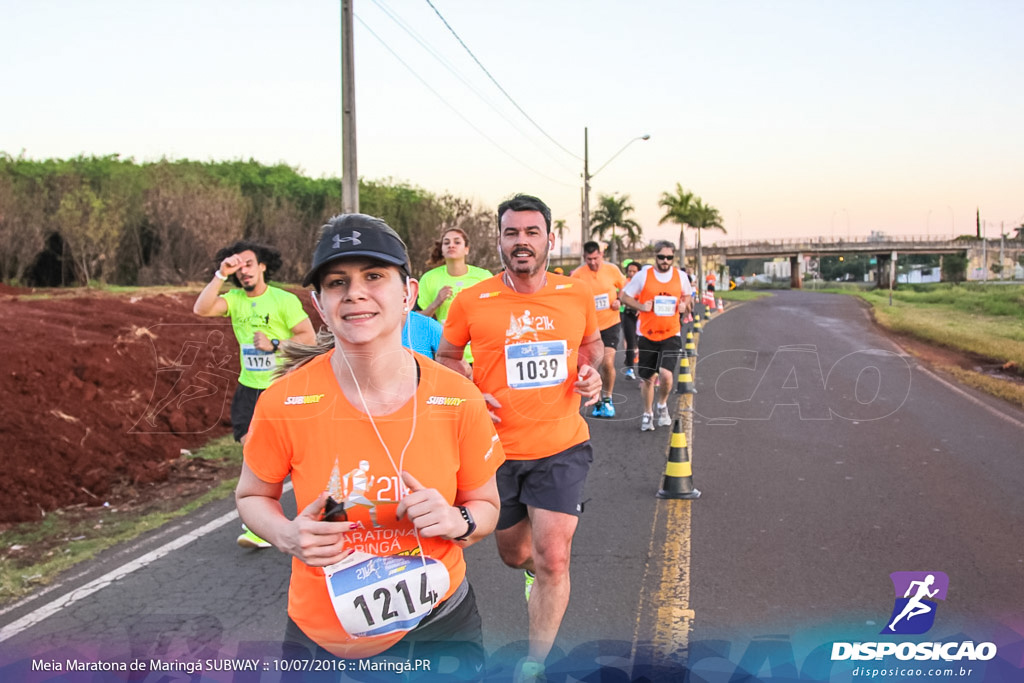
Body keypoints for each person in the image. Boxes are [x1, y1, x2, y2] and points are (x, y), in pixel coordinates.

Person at [235, 214, 504, 674]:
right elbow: (251, 495)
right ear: (320, 304)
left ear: (409, 294)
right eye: (337, 282)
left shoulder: (458, 397)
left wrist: (455, 519)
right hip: (322, 641)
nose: (355, 292)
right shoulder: (286, 401)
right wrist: (284, 535)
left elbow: (486, 508)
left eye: (374, 276)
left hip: (439, 630)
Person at [436, 194, 603, 683]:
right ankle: (530, 572)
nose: (522, 242)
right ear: (500, 240)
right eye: (512, 233)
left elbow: (592, 345)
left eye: (532, 232)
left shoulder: (574, 295)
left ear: (550, 239)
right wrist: (467, 388)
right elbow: (448, 356)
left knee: (555, 557)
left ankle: (535, 662)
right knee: (515, 554)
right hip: (495, 453)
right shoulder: (473, 300)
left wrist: (590, 373)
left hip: (562, 445)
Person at [193, 240, 316, 549]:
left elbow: (309, 339)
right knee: (254, 453)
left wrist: (274, 345)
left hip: (284, 385)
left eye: (249, 264)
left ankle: (317, 513)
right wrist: (221, 275)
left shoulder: (283, 300)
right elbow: (202, 308)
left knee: (301, 457)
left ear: (263, 266)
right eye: (238, 266)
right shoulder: (234, 299)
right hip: (250, 387)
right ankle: (259, 526)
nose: (244, 271)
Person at [620, 241, 694, 432]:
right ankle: (647, 414)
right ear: (656, 257)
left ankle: (662, 405)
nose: (665, 261)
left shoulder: (680, 276)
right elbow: (624, 296)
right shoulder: (643, 276)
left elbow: (687, 296)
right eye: (661, 257)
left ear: (673, 258)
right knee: (647, 379)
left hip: (671, 333)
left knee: (666, 375)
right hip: (647, 334)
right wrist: (641, 306)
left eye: (669, 257)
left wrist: (685, 305)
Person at [570, 241, 626, 417]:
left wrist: (620, 300)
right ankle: (597, 398)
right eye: (589, 259)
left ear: (601, 255)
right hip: (589, 327)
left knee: (607, 363)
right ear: (584, 258)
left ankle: (608, 398)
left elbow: (624, 288)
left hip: (610, 323)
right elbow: (570, 299)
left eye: (595, 258)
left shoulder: (612, 270)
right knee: (589, 365)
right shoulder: (578, 275)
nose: (593, 262)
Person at [620, 260, 642, 380]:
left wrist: (640, 306)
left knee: (641, 342)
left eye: (634, 271)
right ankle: (630, 368)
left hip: (641, 315)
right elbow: (622, 296)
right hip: (628, 314)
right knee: (630, 341)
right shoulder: (626, 282)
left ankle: (646, 371)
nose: (632, 273)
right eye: (629, 271)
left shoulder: (643, 283)